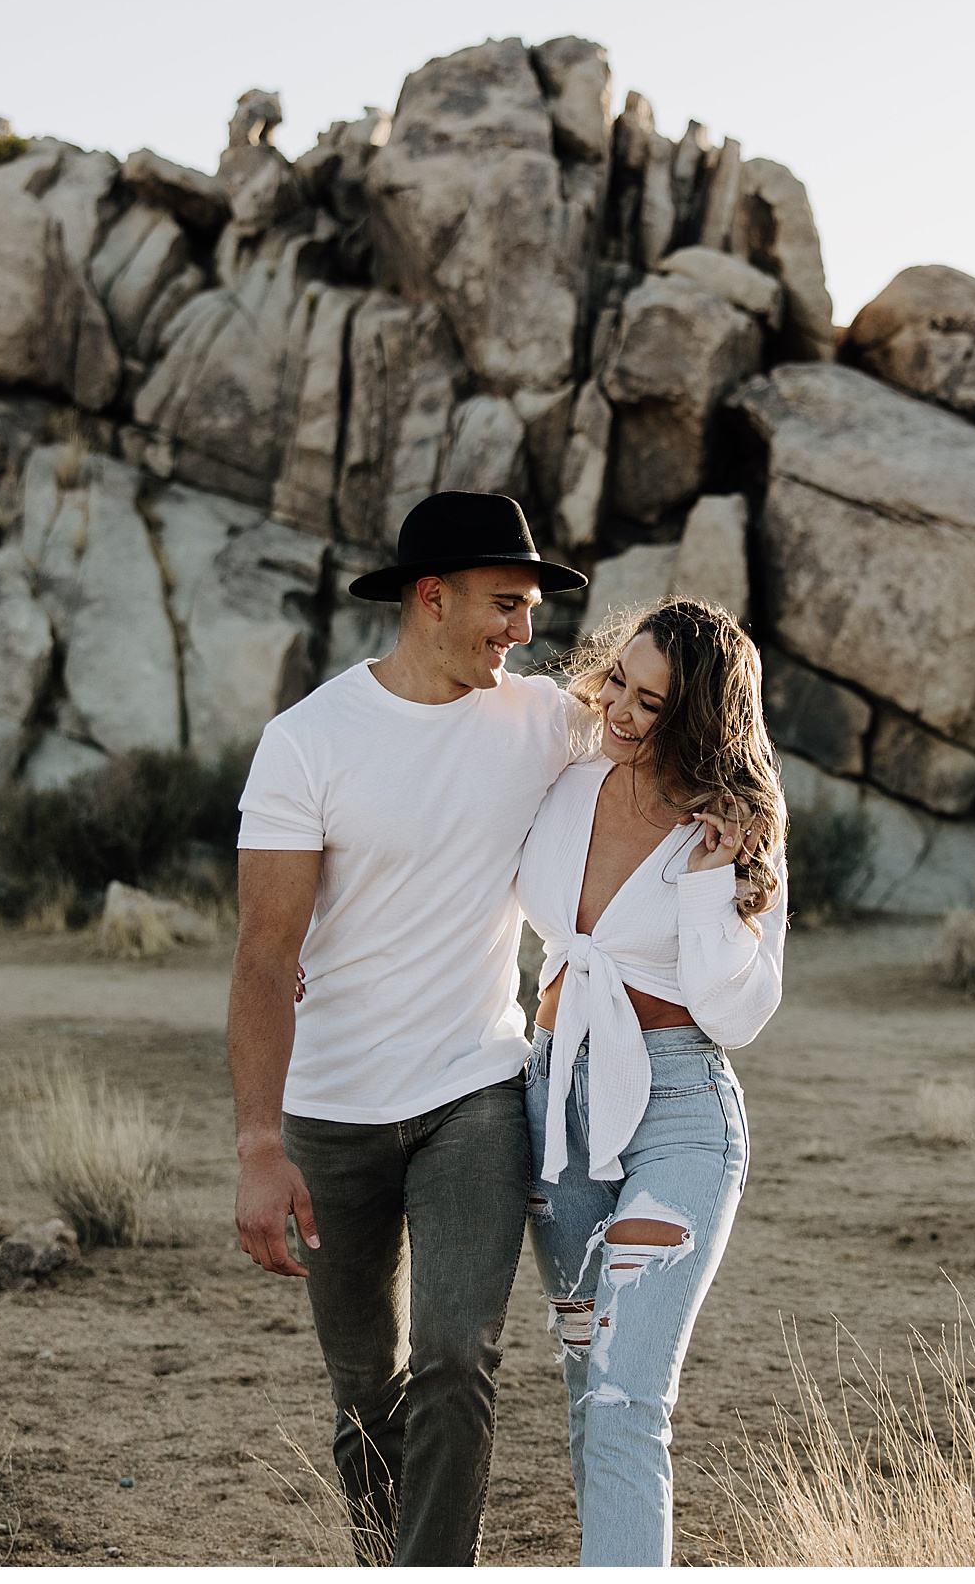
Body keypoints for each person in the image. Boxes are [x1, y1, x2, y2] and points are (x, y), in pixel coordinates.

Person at [226, 491, 591, 1566]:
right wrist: (258, 1146)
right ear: (431, 598)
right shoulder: (307, 743)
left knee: (456, 1352)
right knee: (365, 1389)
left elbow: (660, 755)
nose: (524, 633)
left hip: (473, 1092)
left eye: (529, 608)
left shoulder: (547, 723)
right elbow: (262, 953)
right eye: (506, 604)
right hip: (329, 1113)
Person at [517, 597, 790, 1567]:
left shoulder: (736, 824)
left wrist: (715, 879)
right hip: (554, 1103)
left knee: (631, 1394)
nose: (622, 713)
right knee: (586, 1378)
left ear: (701, 718)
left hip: (677, 1112)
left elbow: (739, 1013)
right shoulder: (566, 771)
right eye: (617, 686)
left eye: (651, 702)